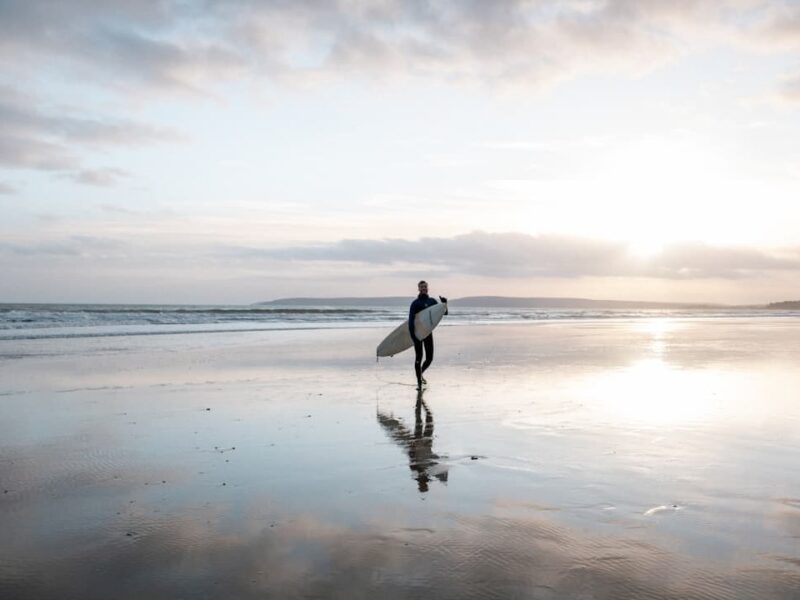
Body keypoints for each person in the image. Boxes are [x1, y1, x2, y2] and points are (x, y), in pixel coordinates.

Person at [408, 280, 447, 389]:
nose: (424, 288)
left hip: (428, 333)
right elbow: (411, 321)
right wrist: (413, 337)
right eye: (422, 287)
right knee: (418, 358)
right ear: (418, 289)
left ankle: (421, 373)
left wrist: (445, 304)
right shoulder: (415, 303)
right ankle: (419, 384)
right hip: (418, 334)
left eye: (425, 287)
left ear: (427, 288)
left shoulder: (432, 301)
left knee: (429, 358)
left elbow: (444, 313)